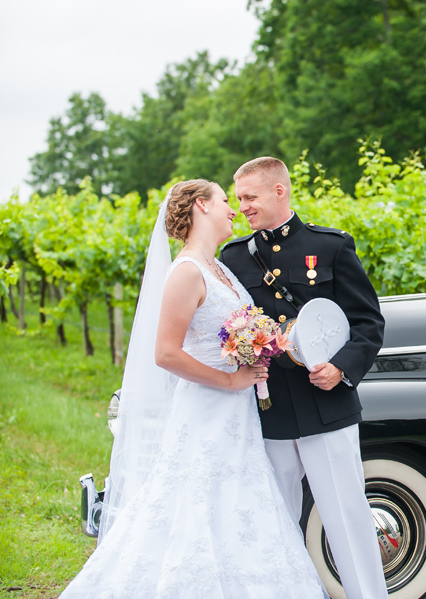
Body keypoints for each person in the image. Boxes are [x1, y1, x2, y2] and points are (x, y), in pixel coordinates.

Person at [59, 180, 326, 598]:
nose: (233, 209)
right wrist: (230, 378)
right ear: (202, 206)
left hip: (238, 414)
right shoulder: (186, 271)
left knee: (239, 505)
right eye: (225, 200)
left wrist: (264, 344)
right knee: (196, 502)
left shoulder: (218, 267)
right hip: (205, 409)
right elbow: (165, 353)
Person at [220, 157, 388, 599]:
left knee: (347, 516)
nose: (243, 207)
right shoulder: (234, 257)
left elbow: (368, 323)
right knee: (275, 518)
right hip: (268, 408)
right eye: (238, 199)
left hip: (325, 404)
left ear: (280, 191)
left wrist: (342, 368)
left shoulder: (330, 246)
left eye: (250, 197)